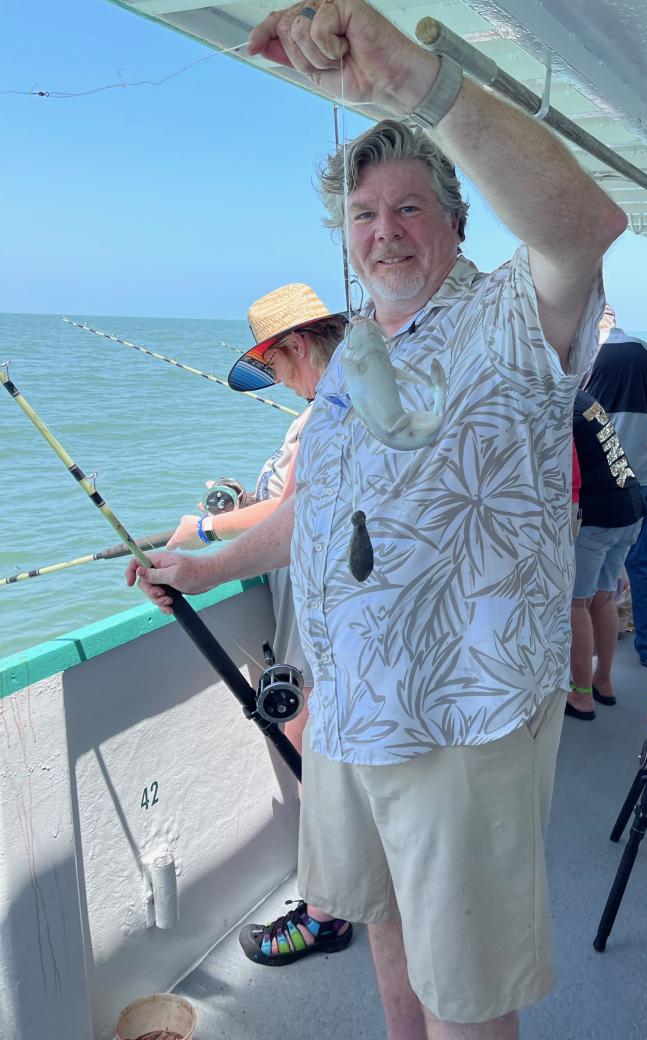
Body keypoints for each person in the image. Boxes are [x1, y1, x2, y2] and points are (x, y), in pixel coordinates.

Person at [128, 0, 627, 1039]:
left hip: (463, 717)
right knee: (386, 929)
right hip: (355, 707)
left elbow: (586, 225)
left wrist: (416, 85)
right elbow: (318, 513)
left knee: (467, 994)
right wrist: (205, 569)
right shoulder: (357, 347)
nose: (384, 231)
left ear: (457, 220)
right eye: (363, 215)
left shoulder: (511, 316)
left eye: (409, 208)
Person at [165, 283, 352, 967]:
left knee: (307, 738)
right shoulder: (358, 395)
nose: (283, 383)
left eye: (275, 368)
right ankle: (340, 891)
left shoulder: (333, 408)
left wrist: (203, 536)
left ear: (296, 346)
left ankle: (326, 913)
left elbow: (296, 512)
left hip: (318, 602)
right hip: (333, 606)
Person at [584, 313, 647, 666]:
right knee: (641, 563)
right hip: (636, 474)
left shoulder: (585, 353)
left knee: (583, 569)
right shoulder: (645, 351)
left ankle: (586, 650)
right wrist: (643, 411)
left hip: (595, 472)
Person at [566, 390, 646, 719]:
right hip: (630, 506)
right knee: (603, 596)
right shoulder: (585, 400)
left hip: (599, 517)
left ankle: (581, 695)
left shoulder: (560, 406)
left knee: (576, 604)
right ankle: (603, 681)